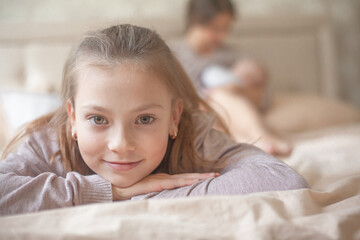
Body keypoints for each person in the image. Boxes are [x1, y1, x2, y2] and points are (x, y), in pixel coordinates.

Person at [0, 24, 308, 216]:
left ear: (174, 117)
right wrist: (114, 192)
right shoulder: (48, 142)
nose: (121, 145)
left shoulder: (193, 133)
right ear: (73, 118)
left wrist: (152, 192)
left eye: (145, 119)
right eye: (97, 119)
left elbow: (284, 179)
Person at [171, 0, 292, 155]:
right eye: (215, 28)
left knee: (220, 95)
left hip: (230, 106)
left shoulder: (232, 54)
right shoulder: (172, 55)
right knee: (210, 107)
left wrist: (234, 87)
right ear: (196, 21)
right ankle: (259, 141)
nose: (222, 36)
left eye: (226, 29)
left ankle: (260, 141)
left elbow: (262, 94)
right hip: (198, 115)